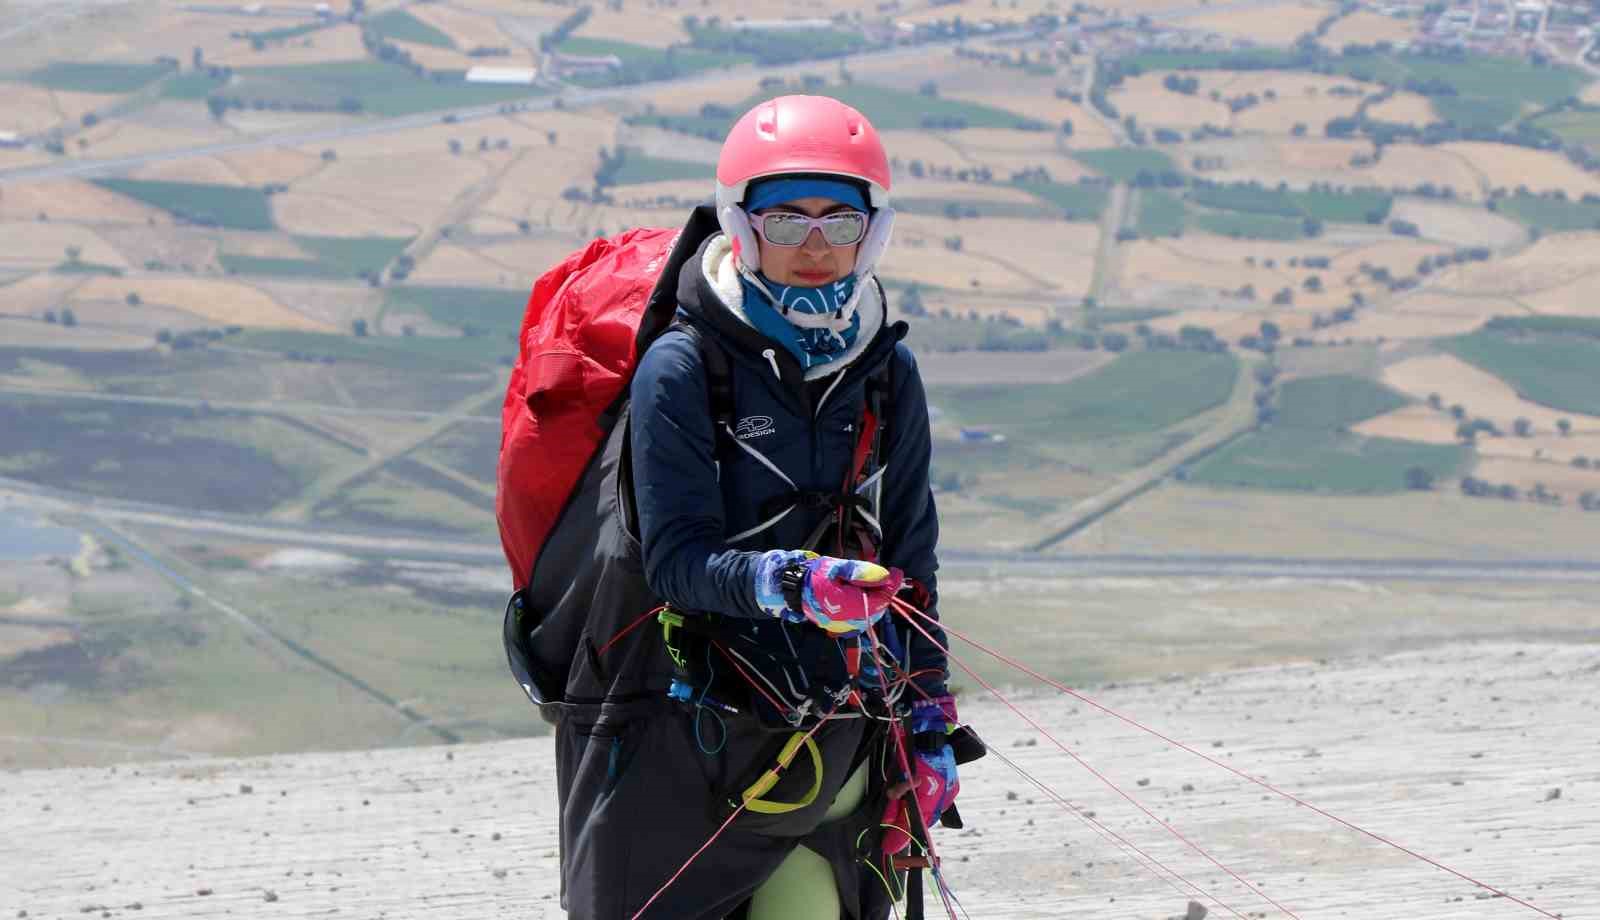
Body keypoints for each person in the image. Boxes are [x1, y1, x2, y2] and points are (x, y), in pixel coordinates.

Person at [559, 95, 963, 920]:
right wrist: (795, 583)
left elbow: (912, 563)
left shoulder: (887, 370)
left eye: (839, 221)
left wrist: (929, 714)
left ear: (871, 230)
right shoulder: (682, 367)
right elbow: (673, 562)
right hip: (687, 733)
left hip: (842, 728)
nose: (814, 248)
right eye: (786, 221)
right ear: (741, 226)